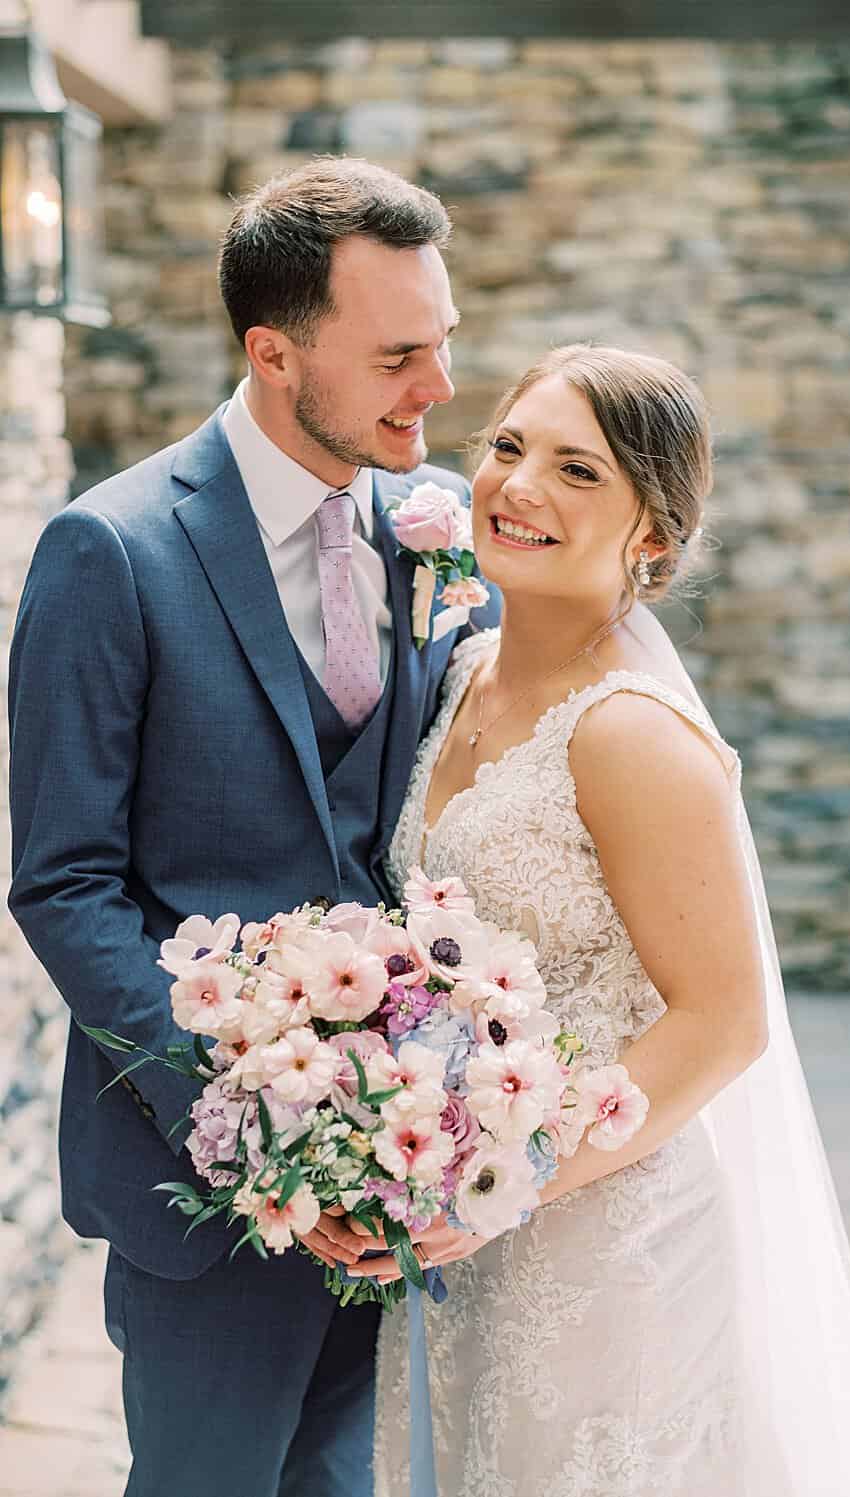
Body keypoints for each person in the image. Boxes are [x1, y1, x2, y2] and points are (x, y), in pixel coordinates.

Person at [8, 157, 491, 1495]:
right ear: (275, 353)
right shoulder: (107, 556)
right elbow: (65, 884)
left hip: (405, 1181)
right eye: (400, 353)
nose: (439, 388)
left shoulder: (436, 543)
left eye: (444, 340)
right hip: (202, 1197)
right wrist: (256, 1126)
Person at [346, 344, 850, 1494]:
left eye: (578, 471)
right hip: (465, 1234)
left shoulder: (633, 736)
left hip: (602, 1243)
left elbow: (721, 1023)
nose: (519, 486)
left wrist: (512, 1173)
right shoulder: (459, 674)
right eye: (508, 447)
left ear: (652, 533)